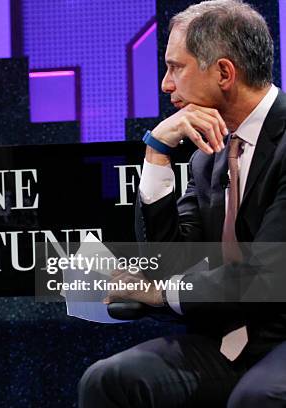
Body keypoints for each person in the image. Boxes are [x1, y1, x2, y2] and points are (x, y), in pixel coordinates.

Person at [79, 1, 286, 407]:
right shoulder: (209, 153)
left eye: (176, 67)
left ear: (224, 72)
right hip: (231, 339)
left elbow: (268, 276)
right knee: (107, 380)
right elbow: (171, 261)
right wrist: (156, 153)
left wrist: (160, 294)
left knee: (256, 398)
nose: (165, 84)